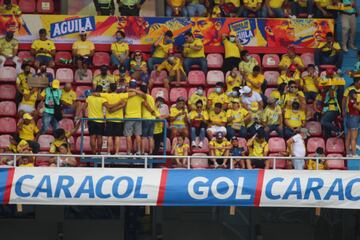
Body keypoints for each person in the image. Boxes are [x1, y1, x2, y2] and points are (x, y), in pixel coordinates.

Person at [85, 85, 124, 154]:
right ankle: (99, 152)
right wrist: (119, 103)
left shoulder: (89, 98)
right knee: (99, 137)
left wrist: (83, 115)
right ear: (101, 91)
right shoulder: (102, 99)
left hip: (91, 120)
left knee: (92, 137)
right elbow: (109, 107)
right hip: (100, 120)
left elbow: (83, 107)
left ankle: (94, 153)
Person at [96, 83, 129, 154]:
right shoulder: (121, 96)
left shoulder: (106, 95)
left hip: (109, 119)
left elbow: (96, 94)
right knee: (117, 137)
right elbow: (132, 94)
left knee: (109, 137)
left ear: (110, 89)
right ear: (116, 89)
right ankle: (116, 153)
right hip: (119, 120)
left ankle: (108, 152)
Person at [124, 80, 146, 155]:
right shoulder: (139, 95)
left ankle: (129, 152)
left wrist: (131, 90)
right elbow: (145, 95)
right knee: (138, 135)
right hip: (137, 117)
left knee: (128, 135)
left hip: (128, 117)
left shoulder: (126, 94)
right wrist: (135, 90)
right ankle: (139, 151)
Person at [342, 77, 360, 156]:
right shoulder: (352, 101)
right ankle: (354, 154)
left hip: (352, 116)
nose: (357, 95)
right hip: (354, 117)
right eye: (355, 94)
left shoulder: (352, 100)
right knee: (354, 137)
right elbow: (357, 107)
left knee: (349, 135)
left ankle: (348, 153)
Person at [141, 85, 158, 155]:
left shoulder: (144, 97)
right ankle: (151, 152)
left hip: (146, 118)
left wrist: (151, 111)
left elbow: (146, 104)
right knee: (151, 137)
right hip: (152, 118)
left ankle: (142, 152)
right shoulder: (151, 97)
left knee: (144, 137)